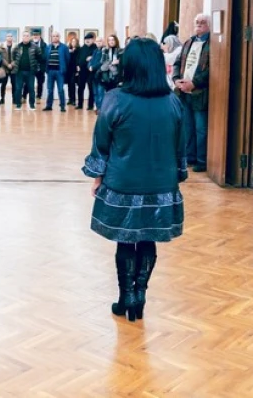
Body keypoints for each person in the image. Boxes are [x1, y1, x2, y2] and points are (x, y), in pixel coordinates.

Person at [82, 37, 186, 322]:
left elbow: (102, 143)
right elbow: (180, 147)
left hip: (123, 182)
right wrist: (177, 175)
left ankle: (126, 297)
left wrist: (97, 176)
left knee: (126, 240)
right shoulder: (173, 102)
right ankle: (140, 296)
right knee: (148, 238)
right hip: (161, 184)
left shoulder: (115, 99)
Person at [172, 13, 211, 172]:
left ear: (209, 25)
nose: (199, 24)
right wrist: (176, 79)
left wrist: (194, 83)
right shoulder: (189, 42)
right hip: (183, 92)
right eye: (197, 22)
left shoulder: (212, 44)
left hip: (199, 93)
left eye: (203, 22)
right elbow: (177, 63)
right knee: (187, 127)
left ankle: (201, 160)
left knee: (201, 129)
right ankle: (190, 157)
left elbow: (212, 70)